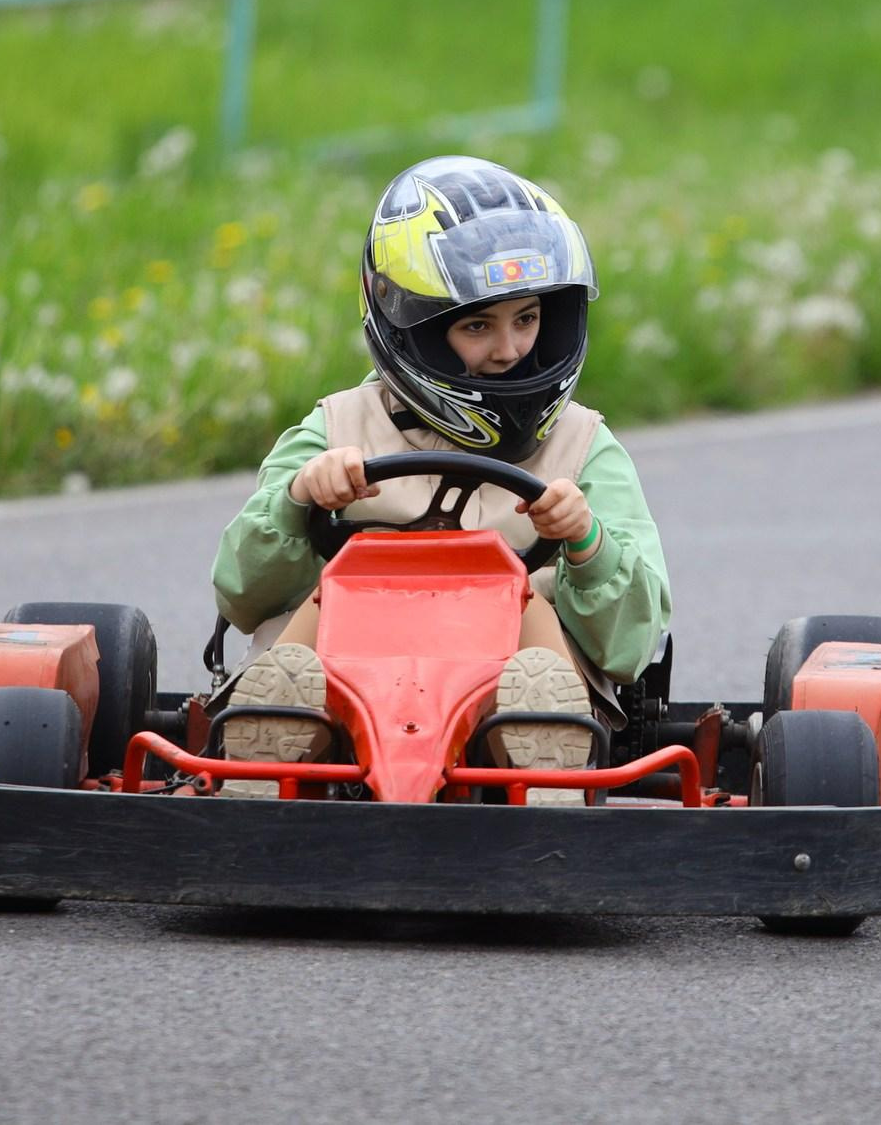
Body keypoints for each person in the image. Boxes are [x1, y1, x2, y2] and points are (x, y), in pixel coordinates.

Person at [211, 154, 669, 802]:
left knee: (523, 596)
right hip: (352, 681)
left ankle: (544, 746)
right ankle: (274, 744)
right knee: (334, 591)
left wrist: (586, 542)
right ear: (416, 327)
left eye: (527, 317)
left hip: (505, 688)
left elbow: (632, 645)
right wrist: (298, 499)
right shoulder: (338, 428)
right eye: (478, 325)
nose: (510, 349)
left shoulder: (582, 446)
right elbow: (239, 594)